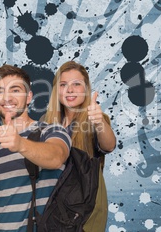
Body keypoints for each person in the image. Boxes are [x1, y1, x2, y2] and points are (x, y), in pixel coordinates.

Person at [0, 64, 72, 231]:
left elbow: (57, 157)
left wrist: (20, 144)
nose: (7, 98)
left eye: (15, 90)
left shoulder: (53, 131)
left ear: (29, 97)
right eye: (0, 91)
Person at [43, 60, 116, 232]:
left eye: (76, 84)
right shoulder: (45, 125)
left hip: (84, 212)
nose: (70, 90)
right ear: (56, 90)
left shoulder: (96, 119)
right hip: (53, 210)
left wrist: (99, 122)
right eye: (63, 84)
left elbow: (109, 145)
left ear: (86, 89)